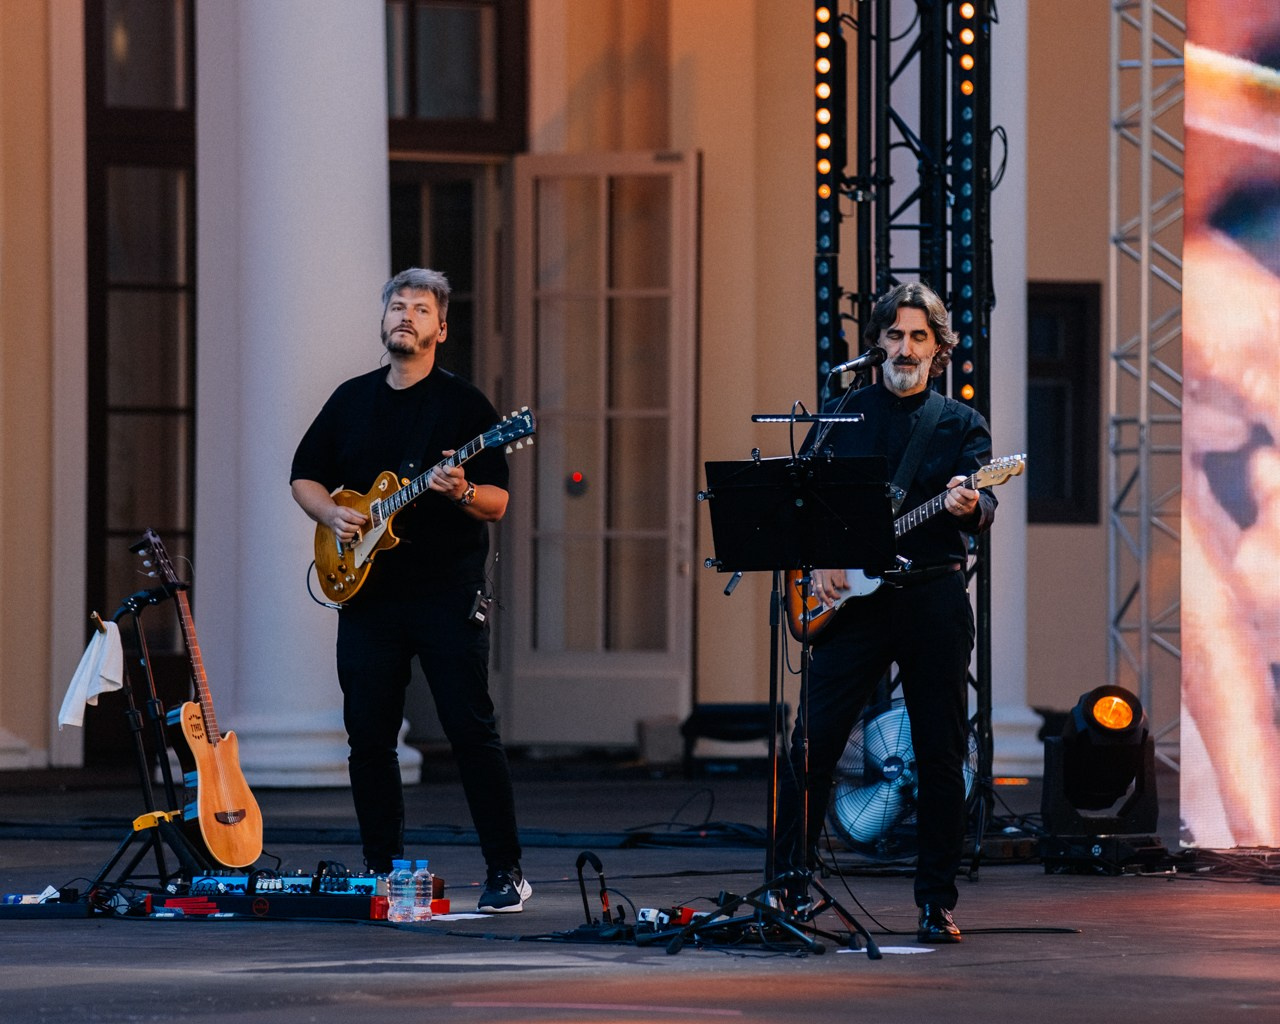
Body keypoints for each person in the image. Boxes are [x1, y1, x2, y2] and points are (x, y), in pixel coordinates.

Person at [290, 267, 531, 913]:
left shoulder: (466, 408)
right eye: (397, 307)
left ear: (440, 328)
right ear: (384, 322)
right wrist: (329, 515)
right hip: (366, 595)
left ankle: (505, 871)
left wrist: (463, 490)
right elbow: (305, 476)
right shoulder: (351, 399)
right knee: (367, 736)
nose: (406, 316)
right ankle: (383, 870)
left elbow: (498, 502)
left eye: (420, 309)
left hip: (445, 594)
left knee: (470, 730)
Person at [774, 281, 996, 943]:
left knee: (938, 752)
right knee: (811, 743)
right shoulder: (843, 411)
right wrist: (817, 561)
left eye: (919, 337)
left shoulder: (960, 424)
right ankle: (790, 885)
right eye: (895, 335)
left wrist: (969, 502)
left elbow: (984, 504)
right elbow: (800, 505)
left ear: (939, 350)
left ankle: (936, 901)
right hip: (852, 606)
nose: (905, 348)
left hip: (932, 597)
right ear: (876, 342)